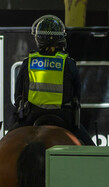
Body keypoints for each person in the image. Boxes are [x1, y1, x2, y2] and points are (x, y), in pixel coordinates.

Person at [10, 15, 95, 146]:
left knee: (6, 143)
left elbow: (18, 97)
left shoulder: (28, 62)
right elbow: (77, 96)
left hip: (31, 116)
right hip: (64, 117)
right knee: (92, 152)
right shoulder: (68, 63)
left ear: (38, 38)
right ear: (60, 38)